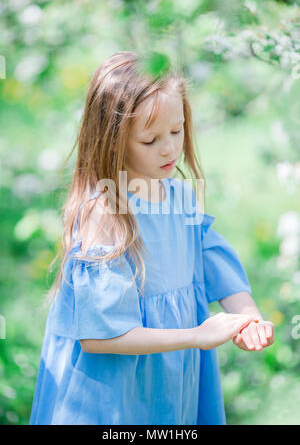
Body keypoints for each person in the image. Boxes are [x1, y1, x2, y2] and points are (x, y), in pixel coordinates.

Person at [29, 51, 274, 425]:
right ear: (113, 140)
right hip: (112, 397)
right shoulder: (106, 214)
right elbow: (100, 337)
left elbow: (215, 264)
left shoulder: (180, 197)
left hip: (172, 381)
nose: (169, 148)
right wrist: (195, 335)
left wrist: (248, 317)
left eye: (177, 131)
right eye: (149, 140)